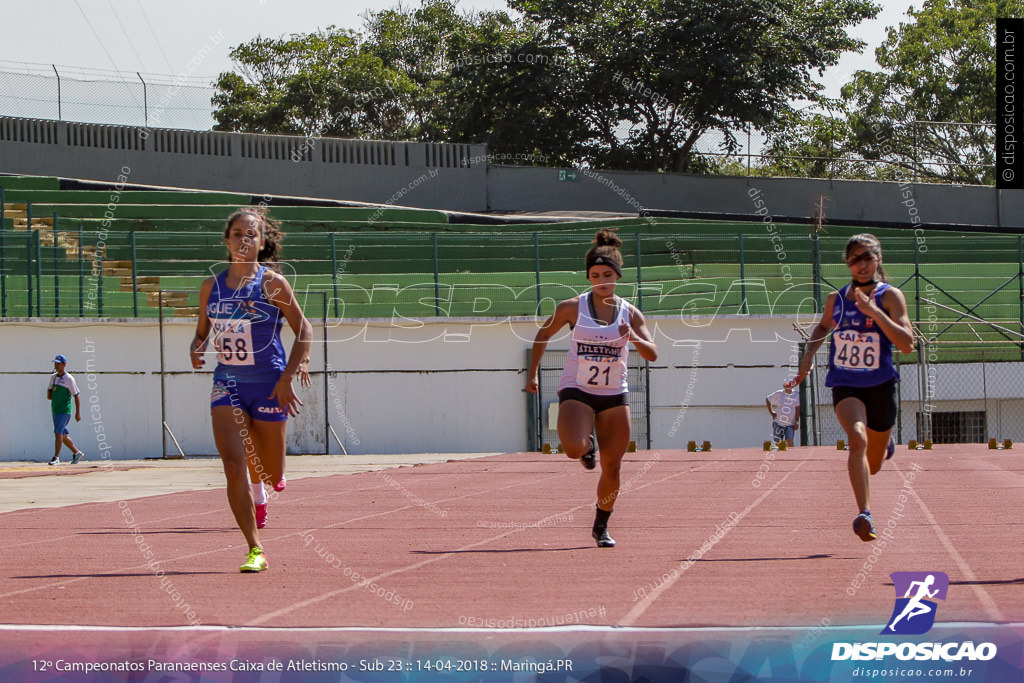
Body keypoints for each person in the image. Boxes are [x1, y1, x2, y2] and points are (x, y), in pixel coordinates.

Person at [190, 208, 312, 573]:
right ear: (226, 240)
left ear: (261, 243)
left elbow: (303, 330)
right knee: (232, 464)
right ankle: (253, 548)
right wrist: (196, 346)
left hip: (269, 384)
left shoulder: (272, 283)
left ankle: (264, 487)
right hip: (227, 383)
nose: (244, 239)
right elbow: (202, 331)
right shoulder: (211, 286)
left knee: (271, 472)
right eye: (237, 233)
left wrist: (288, 375)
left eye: (252, 234)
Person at [525, 229, 658, 548]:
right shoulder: (572, 307)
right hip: (578, 390)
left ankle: (601, 525)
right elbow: (542, 336)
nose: (601, 280)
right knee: (572, 448)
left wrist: (633, 337)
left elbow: (652, 353)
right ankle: (586, 448)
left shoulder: (630, 313)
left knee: (613, 467)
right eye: (595, 275)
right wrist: (533, 374)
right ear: (588, 277)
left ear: (617, 276)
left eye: (607, 275)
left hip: (614, 395)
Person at [788, 234, 913, 542]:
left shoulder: (890, 297)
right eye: (856, 259)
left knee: (873, 464)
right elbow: (822, 326)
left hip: (881, 384)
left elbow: (907, 344)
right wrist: (807, 359)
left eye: (868, 258)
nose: (862, 265)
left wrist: (875, 314)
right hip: (845, 383)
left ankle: (884, 447)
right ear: (847, 263)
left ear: (878, 260)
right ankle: (865, 515)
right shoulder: (838, 300)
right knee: (856, 439)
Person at [46, 354, 85, 466]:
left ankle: (56, 457)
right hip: (55, 409)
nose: (56, 365)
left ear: (64, 364)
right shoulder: (53, 377)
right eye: (55, 363)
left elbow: (76, 395)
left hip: (64, 410)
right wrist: (50, 394)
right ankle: (77, 453)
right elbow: (49, 390)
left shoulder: (69, 379)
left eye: (59, 363)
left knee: (57, 432)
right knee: (63, 435)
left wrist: (78, 413)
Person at [765, 382, 800, 448]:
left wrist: (796, 421)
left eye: (789, 387)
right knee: (777, 442)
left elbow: (797, 408)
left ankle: (791, 455)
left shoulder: (796, 395)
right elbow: (768, 399)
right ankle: (779, 456)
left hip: (790, 424)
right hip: (778, 423)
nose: (787, 389)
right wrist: (772, 412)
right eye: (786, 387)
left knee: (789, 441)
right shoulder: (779, 393)